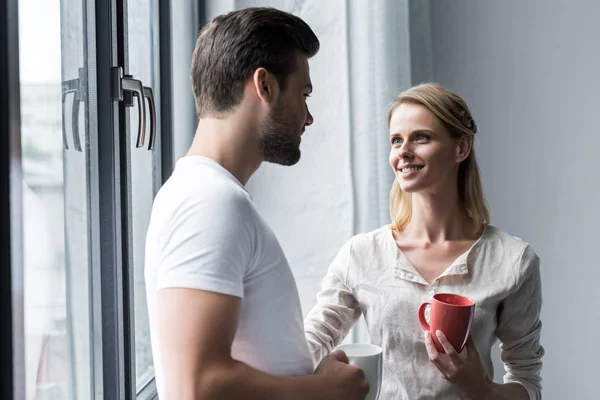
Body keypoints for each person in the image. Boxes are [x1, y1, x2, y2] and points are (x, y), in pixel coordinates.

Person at [144, 7, 369, 400]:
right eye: (304, 94)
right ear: (264, 86)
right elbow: (195, 386)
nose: (309, 117)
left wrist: (314, 377)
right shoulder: (210, 203)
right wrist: (320, 391)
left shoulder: (202, 195)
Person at [304, 83, 544, 399]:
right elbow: (311, 344)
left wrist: (480, 388)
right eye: (395, 140)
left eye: (421, 137)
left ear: (461, 148)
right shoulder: (362, 254)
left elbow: (528, 382)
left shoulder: (513, 260)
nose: (403, 151)